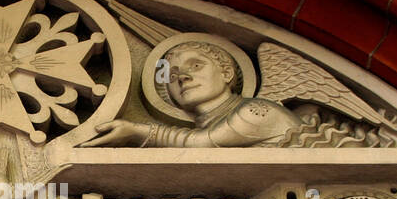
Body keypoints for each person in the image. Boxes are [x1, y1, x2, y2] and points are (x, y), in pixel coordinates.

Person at [86, 41, 301, 147]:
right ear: (167, 94)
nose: (183, 77)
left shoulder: (256, 112)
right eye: (172, 76)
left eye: (196, 65)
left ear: (226, 73)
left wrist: (138, 131)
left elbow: (204, 143)